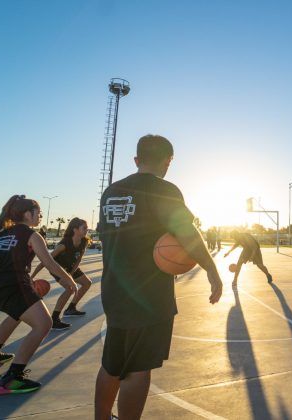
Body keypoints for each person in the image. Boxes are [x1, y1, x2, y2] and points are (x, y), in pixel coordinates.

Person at [95, 134, 223, 420]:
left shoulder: (110, 192)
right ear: (169, 160)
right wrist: (212, 270)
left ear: (137, 159)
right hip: (149, 296)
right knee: (138, 368)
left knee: (112, 364)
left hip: (114, 290)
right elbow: (187, 234)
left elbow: (107, 237)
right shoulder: (164, 190)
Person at [0, 195, 76, 395]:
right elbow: (50, 262)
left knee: (16, 313)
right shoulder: (32, 235)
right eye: (38, 212)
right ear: (27, 214)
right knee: (43, 324)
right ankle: (12, 378)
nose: (40, 216)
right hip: (15, 284)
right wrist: (68, 279)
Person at [30, 217, 93, 330]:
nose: (86, 230)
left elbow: (79, 258)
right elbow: (46, 260)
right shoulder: (64, 244)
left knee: (87, 283)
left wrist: (72, 273)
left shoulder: (84, 241)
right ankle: (54, 319)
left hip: (71, 267)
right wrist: (32, 277)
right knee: (69, 288)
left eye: (87, 228)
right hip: (57, 268)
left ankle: (71, 309)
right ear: (75, 229)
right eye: (84, 228)